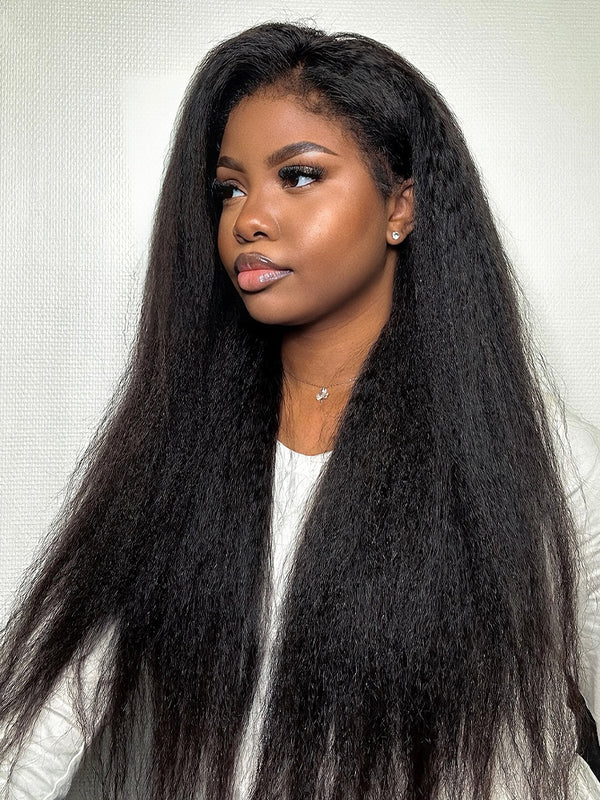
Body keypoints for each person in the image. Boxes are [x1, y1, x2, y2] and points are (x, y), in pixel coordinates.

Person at [0, 21, 599, 800]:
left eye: (300, 176)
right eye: (229, 189)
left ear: (402, 207)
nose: (248, 218)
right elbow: (47, 708)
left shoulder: (544, 461)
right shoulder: (181, 450)